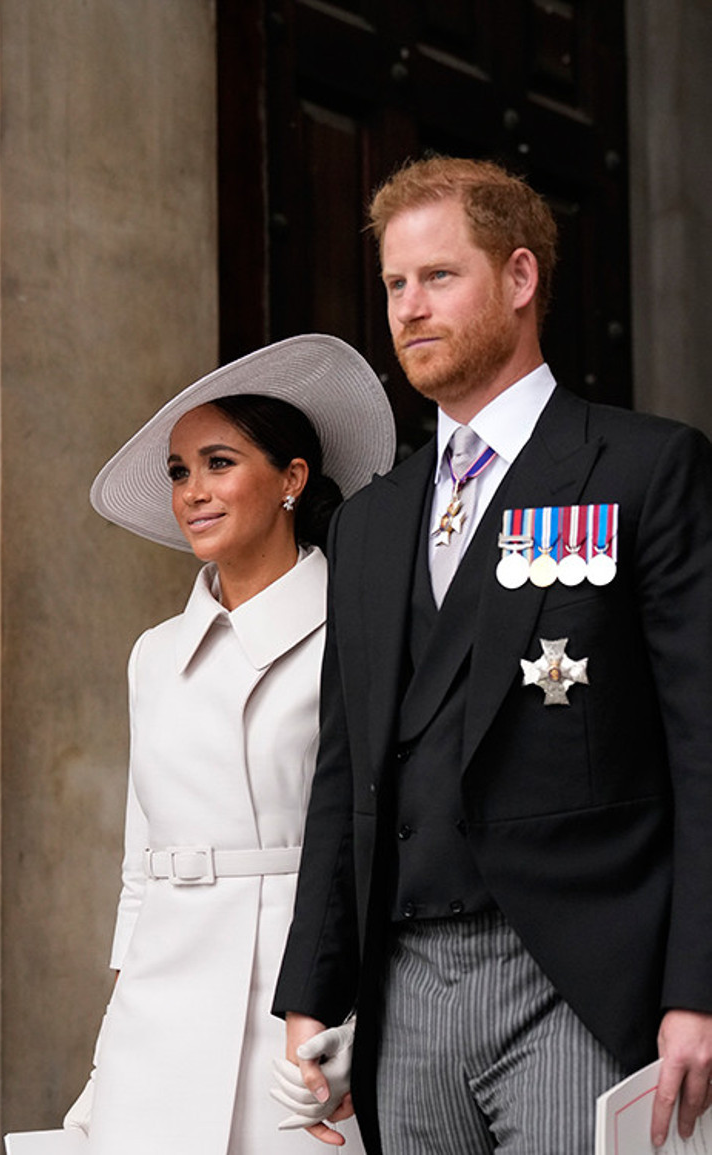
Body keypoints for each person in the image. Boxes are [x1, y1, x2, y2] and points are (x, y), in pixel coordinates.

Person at [272, 156, 712, 1154]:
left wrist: (697, 988)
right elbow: (343, 771)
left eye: (438, 276)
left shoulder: (644, 469)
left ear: (518, 278)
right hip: (402, 989)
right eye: (394, 282)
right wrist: (312, 995)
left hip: (579, 980)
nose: (408, 307)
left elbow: (701, 745)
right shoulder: (368, 523)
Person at [63, 334, 395, 1155]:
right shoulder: (152, 655)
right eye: (180, 471)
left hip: (299, 1008)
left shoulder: (358, 635)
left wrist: (359, 1020)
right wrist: (108, 1053)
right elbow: (140, 870)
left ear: (291, 478)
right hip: (157, 1017)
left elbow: (383, 845)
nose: (192, 491)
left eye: (218, 463)